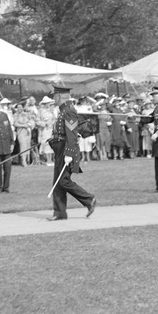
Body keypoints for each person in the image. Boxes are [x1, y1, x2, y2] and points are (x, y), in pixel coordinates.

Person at [46, 87, 96, 221]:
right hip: (60, 148)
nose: (53, 98)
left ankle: (89, 199)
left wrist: (69, 153)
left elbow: (72, 135)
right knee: (58, 182)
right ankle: (59, 213)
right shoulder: (63, 110)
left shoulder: (69, 111)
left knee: (63, 181)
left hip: (66, 150)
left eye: (55, 96)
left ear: (61, 96)